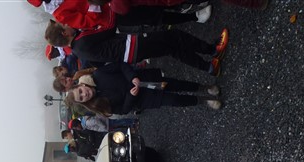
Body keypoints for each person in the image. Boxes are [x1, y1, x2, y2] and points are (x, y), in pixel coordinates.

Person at [45, 20, 228, 76]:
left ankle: (209, 67)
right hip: (133, 45)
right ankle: (213, 50)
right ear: (64, 33)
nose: (67, 24)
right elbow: (109, 28)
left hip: (130, 54)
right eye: (64, 25)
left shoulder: (77, 50)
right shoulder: (82, 39)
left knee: (172, 49)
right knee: (174, 36)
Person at [65, 62, 222, 114]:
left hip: (146, 80)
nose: (84, 94)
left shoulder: (99, 74)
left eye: (80, 91)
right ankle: (205, 100)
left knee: (178, 84)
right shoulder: (99, 106)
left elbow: (121, 65)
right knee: (176, 100)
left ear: (81, 85)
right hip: (144, 99)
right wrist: (131, 96)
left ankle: (205, 87)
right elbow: (124, 110)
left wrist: (132, 77)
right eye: (81, 98)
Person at [30, 0, 211, 34]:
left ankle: (187, 3)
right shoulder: (59, 13)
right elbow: (86, 22)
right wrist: (95, 3)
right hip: (113, 13)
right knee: (154, 16)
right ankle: (195, 17)